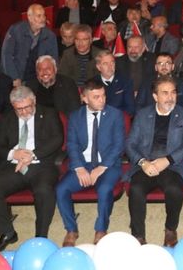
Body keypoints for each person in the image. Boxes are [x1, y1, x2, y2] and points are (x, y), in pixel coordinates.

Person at [0, 86, 64, 252]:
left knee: (43, 191)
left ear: (34, 101)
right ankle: (7, 232)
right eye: (19, 109)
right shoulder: (7, 118)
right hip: (14, 166)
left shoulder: (49, 113)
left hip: (41, 164)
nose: (24, 112)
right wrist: (14, 153)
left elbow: (57, 139)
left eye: (28, 107)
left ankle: (41, 235)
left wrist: (32, 155)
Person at [126, 77, 183, 246]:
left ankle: (170, 229)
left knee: (174, 190)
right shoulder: (143, 115)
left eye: (173, 92)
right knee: (135, 189)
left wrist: (168, 160)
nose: (170, 97)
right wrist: (143, 162)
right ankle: (138, 235)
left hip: (172, 166)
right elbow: (130, 144)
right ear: (155, 96)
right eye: (165, 93)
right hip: (147, 164)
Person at [56, 79, 125, 247]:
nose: (102, 100)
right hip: (83, 163)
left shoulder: (115, 115)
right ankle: (71, 229)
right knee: (61, 189)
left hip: (108, 164)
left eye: (103, 95)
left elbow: (119, 145)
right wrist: (79, 168)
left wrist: (101, 168)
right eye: (96, 97)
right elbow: (72, 144)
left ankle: (101, 229)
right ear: (85, 98)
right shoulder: (75, 117)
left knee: (104, 189)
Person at [0, 4, 59, 83]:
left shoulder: (50, 36)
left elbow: (53, 60)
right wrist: (14, 77)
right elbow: (7, 55)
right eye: (39, 16)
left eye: (44, 15)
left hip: (37, 79)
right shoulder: (16, 30)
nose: (43, 19)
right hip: (14, 76)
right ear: (30, 17)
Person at [95, 51, 135, 115]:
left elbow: (130, 108)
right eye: (105, 64)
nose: (110, 66)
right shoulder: (93, 83)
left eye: (112, 62)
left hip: (119, 117)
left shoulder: (125, 81)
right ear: (98, 67)